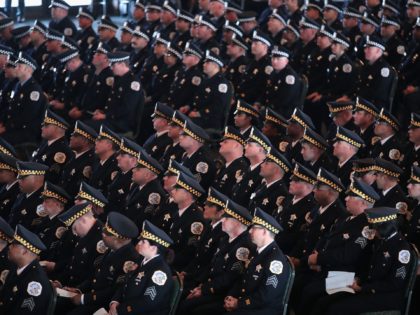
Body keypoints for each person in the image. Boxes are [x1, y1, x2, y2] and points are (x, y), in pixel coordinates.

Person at [325, 207, 413, 315]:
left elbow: (394, 284)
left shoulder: (401, 249)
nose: (373, 231)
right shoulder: (381, 240)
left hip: (384, 296)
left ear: (384, 228)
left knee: (336, 308)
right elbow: (371, 268)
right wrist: (359, 279)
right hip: (367, 286)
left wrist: (363, 288)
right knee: (326, 296)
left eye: (375, 228)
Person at [223, 208, 291, 315]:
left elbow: (266, 296)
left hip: (262, 310)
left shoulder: (275, 261)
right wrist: (231, 297)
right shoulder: (258, 251)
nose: (249, 231)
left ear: (264, 231)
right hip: (249, 304)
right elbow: (243, 279)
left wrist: (239, 303)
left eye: (254, 228)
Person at [108, 220, 174, 315]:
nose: (138, 243)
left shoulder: (160, 272)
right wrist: (115, 302)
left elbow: (148, 303)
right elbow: (125, 283)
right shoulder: (142, 260)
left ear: (153, 248)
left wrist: (119, 310)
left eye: (143, 242)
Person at [0, 224, 51, 314]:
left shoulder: (35, 283)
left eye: (14, 245)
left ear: (24, 251)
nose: (9, 247)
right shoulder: (16, 268)